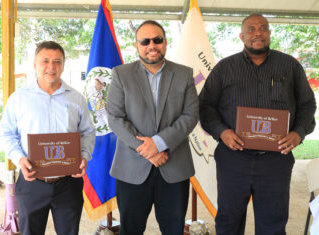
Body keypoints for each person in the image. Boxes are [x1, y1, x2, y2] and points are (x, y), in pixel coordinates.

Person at [199, 14, 317, 235]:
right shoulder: (225, 68)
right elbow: (205, 106)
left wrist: (298, 133)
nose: (258, 33)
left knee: (273, 224)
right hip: (233, 159)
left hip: (275, 160)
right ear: (242, 36)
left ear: (270, 33)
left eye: (263, 28)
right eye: (251, 29)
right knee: (228, 221)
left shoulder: (289, 66)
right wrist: (222, 132)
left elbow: (308, 105)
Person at [106, 20, 199, 235]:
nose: (152, 45)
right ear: (137, 45)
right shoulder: (121, 74)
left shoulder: (184, 74)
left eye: (157, 40)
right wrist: (149, 151)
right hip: (131, 168)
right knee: (130, 229)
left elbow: (190, 115)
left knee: (173, 229)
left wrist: (159, 144)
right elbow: (115, 118)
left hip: (174, 166)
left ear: (165, 42)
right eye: (145, 41)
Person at [0, 41, 95, 235]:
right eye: (45, 61)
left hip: (68, 183)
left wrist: (84, 156)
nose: (51, 67)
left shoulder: (76, 98)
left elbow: (87, 132)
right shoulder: (19, 99)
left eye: (57, 61)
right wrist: (19, 158)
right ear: (34, 64)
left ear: (63, 65)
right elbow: (6, 133)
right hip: (32, 181)